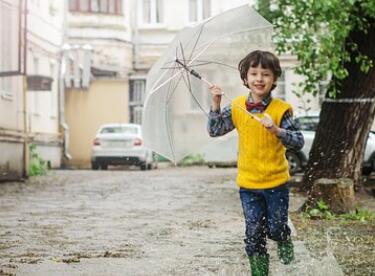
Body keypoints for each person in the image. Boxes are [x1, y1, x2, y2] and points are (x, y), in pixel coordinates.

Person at [207, 50, 304, 276]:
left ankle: (284, 240)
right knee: (254, 234)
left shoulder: (282, 109)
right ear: (246, 78)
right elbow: (214, 130)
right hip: (248, 185)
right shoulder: (238, 106)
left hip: (276, 183)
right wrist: (216, 103)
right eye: (254, 73)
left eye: (265, 74)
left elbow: (298, 141)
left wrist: (276, 129)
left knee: (277, 229)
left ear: (274, 79)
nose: (259, 79)